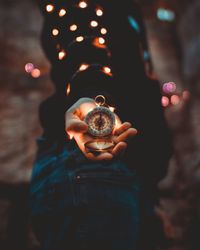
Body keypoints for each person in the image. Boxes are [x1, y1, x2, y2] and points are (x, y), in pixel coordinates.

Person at [30, 0, 173, 249]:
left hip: (125, 174)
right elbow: (83, 45)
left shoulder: (128, 11)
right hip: (93, 162)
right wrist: (92, 100)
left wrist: (149, 196)